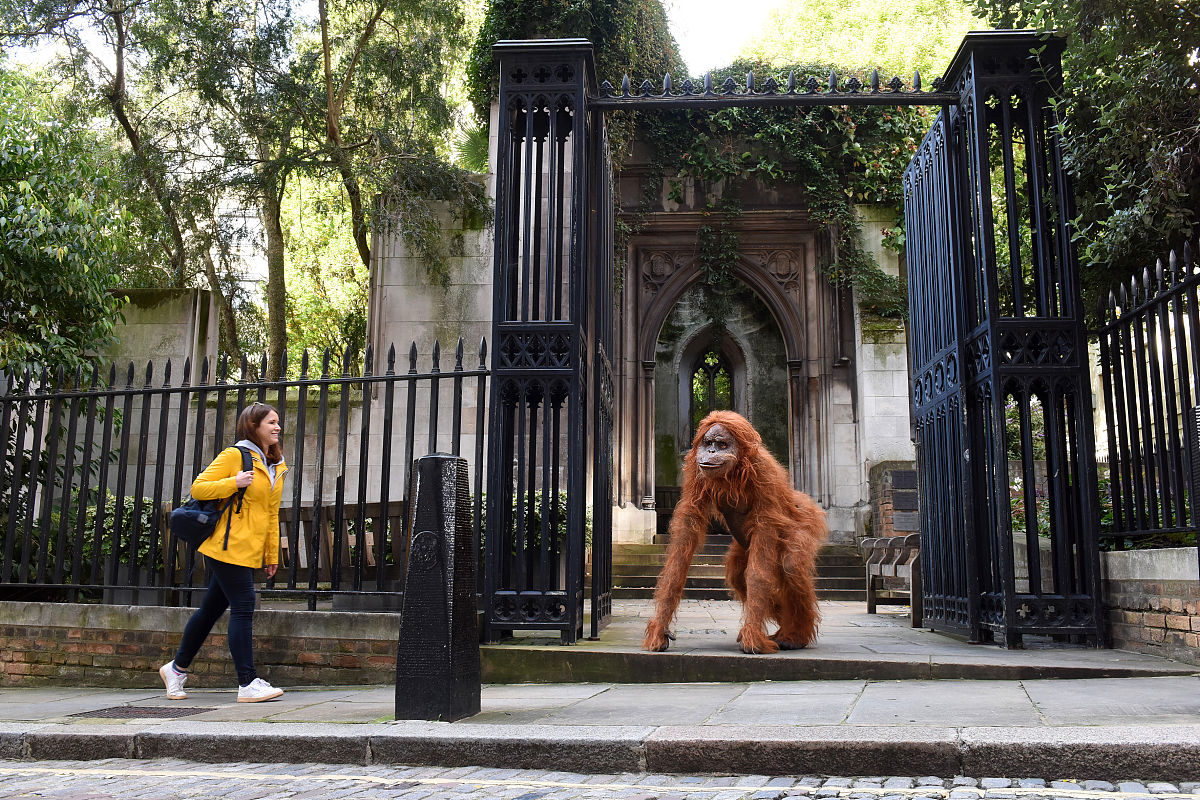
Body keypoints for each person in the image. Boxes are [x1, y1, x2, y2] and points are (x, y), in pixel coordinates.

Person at [160, 402, 289, 703]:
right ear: (253, 426)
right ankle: (248, 682)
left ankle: (176, 669)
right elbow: (199, 488)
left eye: (277, 422)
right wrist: (234, 482)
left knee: (211, 610)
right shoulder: (235, 455)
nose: (277, 427)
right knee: (243, 605)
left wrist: (271, 554)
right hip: (226, 546)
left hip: (249, 549)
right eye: (271, 422)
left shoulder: (275, 464)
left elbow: (271, 514)